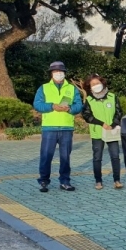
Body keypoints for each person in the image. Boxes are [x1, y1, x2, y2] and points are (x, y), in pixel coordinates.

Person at [33, 61, 83, 192]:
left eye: (61, 71)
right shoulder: (43, 88)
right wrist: (52, 106)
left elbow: (79, 105)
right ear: (51, 73)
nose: (58, 74)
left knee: (65, 157)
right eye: (55, 72)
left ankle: (65, 181)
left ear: (65, 73)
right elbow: (37, 105)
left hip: (66, 127)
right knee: (46, 155)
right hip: (49, 127)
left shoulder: (72, 88)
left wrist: (69, 109)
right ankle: (44, 181)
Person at [81, 73, 123, 190]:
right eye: (93, 84)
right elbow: (86, 115)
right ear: (89, 86)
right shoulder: (89, 100)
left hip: (112, 131)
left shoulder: (112, 97)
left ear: (102, 83)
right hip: (97, 133)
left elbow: (119, 112)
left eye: (97, 83)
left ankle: (117, 180)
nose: (96, 85)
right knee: (97, 157)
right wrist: (101, 124)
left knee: (115, 156)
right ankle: (98, 181)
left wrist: (113, 124)